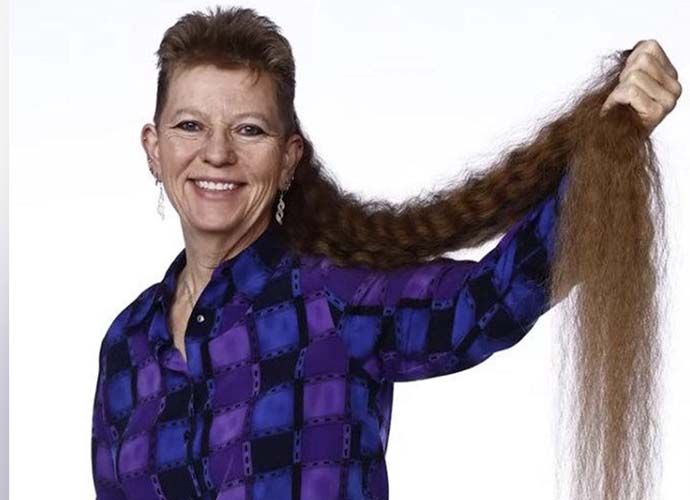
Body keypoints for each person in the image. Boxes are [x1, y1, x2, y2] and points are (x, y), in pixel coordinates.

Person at [90, 6, 681, 500]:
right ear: (154, 147)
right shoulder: (126, 344)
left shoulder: (335, 299)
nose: (216, 153)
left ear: (290, 157)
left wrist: (613, 137)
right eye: (190, 125)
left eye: (249, 129)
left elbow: (489, 300)